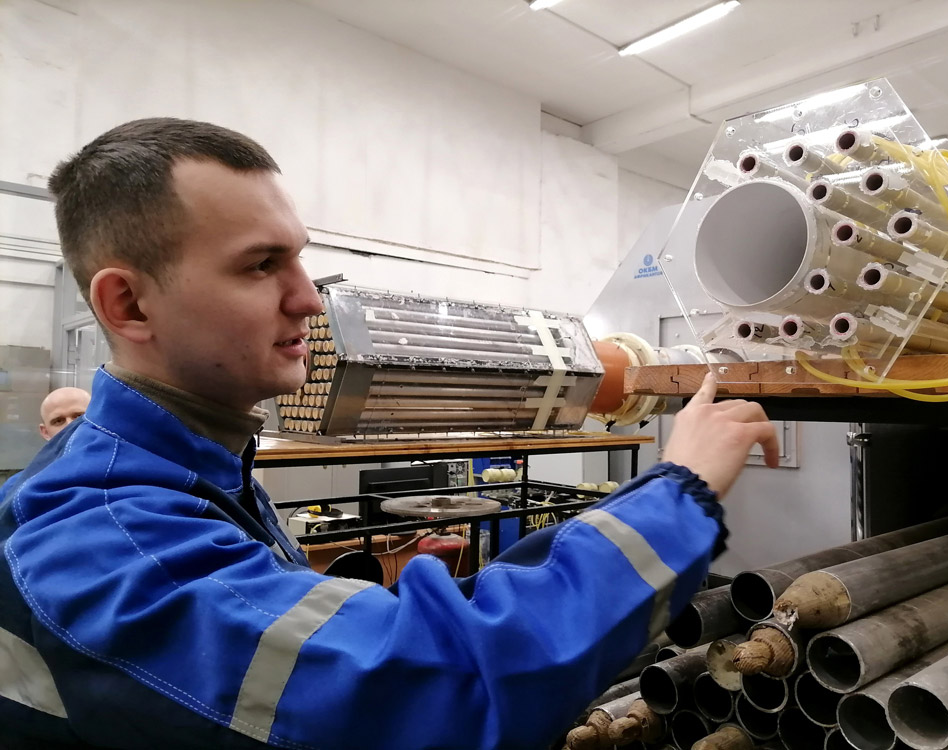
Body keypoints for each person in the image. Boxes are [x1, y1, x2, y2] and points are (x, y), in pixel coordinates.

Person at [0, 118, 778, 750]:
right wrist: (678, 494)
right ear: (130, 306)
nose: (309, 299)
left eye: (298, 259)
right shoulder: (103, 534)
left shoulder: (194, 466)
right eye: (261, 265)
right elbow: (433, 688)